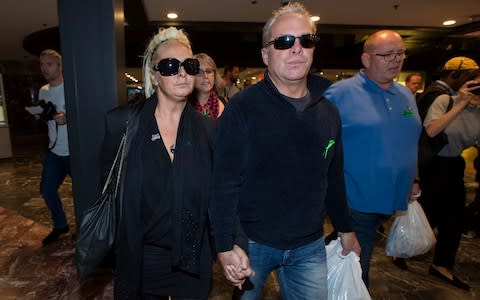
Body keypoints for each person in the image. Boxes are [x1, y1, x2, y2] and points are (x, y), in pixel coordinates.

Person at [210, 3, 360, 299]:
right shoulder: (243, 108)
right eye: (284, 42)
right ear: (266, 55)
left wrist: (345, 228)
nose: (296, 49)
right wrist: (225, 245)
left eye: (306, 40)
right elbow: (223, 183)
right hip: (253, 243)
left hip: (309, 245)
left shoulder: (328, 111)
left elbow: (333, 177)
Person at [101, 27, 215, 299]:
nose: (182, 72)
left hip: (193, 256)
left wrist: (232, 244)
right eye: (170, 66)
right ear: (153, 74)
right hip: (143, 257)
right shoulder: (123, 123)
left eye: (189, 65)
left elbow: (218, 195)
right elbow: (107, 190)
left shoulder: (208, 130)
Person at [324, 30, 422, 287]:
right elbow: (320, 142)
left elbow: (411, 140)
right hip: (356, 197)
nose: (396, 59)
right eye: (387, 54)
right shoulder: (341, 93)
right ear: (366, 59)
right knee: (359, 261)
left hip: (394, 197)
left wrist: (414, 179)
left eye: (400, 53)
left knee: (346, 247)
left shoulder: (406, 95)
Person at [418, 59, 480, 291]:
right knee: (426, 213)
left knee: (453, 219)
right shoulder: (444, 99)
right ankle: (404, 249)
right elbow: (431, 131)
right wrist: (461, 104)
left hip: (454, 164)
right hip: (431, 164)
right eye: (472, 81)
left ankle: (442, 264)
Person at [37, 49, 72, 245]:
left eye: (49, 64)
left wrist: (68, 118)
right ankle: (60, 225)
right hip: (54, 151)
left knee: (83, 193)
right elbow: (46, 114)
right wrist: (41, 115)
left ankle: (85, 229)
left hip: (75, 152)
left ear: (59, 66)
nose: (44, 69)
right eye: (42, 65)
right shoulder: (43, 90)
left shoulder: (72, 88)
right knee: (47, 189)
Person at [188, 53, 225, 120]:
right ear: (191, 76)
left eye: (209, 71)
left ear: (214, 75)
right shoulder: (184, 105)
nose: (205, 76)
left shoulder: (224, 103)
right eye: (199, 72)